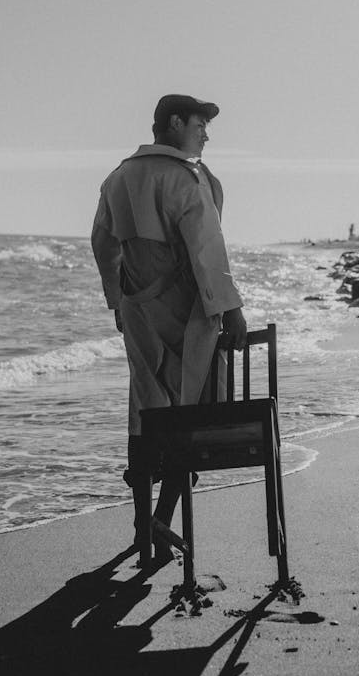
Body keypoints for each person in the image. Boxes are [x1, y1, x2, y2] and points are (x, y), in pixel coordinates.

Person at [91, 94, 247, 557]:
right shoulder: (187, 177)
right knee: (189, 416)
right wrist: (233, 311)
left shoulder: (118, 177)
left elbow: (102, 243)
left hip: (140, 314)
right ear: (174, 123)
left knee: (145, 412)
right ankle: (162, 519)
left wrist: (118, 300)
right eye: (200, 123)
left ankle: (142, 528)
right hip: (187, 316)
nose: (206, 133)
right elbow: (206, 251)